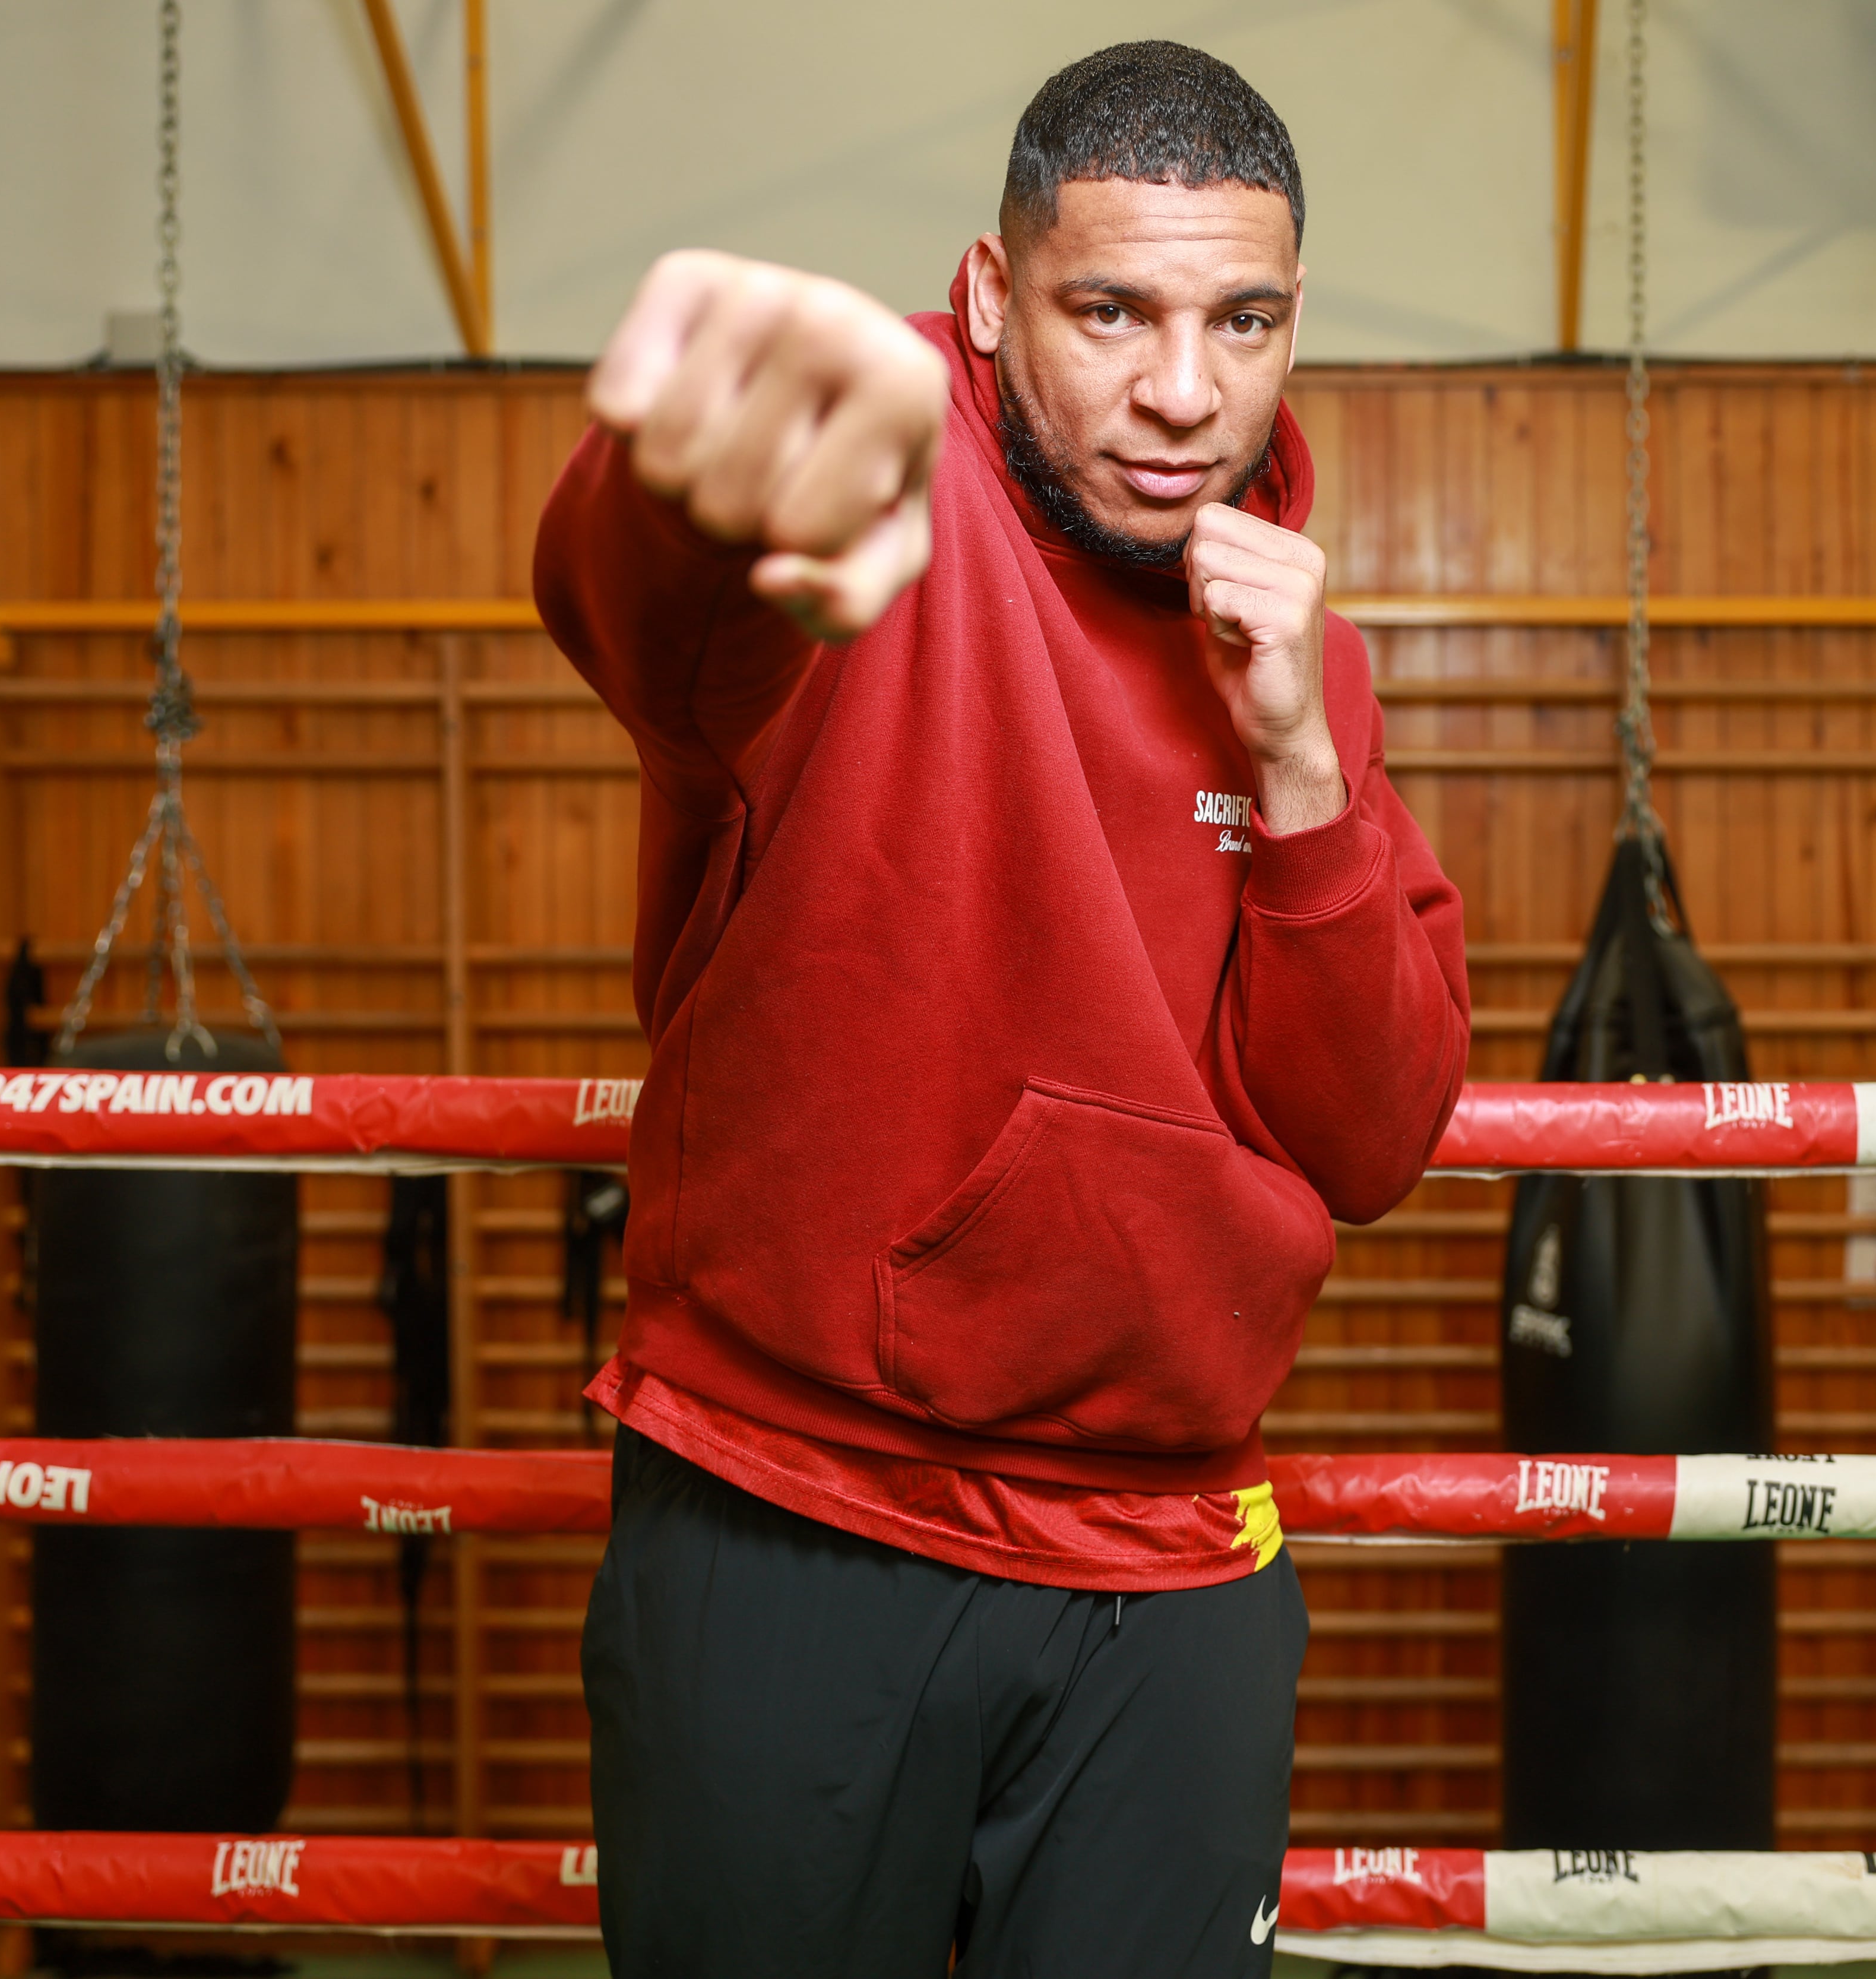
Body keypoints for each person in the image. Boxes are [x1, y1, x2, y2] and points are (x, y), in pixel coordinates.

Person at [536, 38, 1470, 1979]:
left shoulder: (1297, 643)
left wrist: (1303, 766)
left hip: (1172, 1563)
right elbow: (638, 594)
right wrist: (705, 467)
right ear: (989, 294)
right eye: (1109, 310)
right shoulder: (870, 519)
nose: (1182, 394)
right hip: (800, 1512)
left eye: (1244, 321)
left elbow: (1374, 1141)